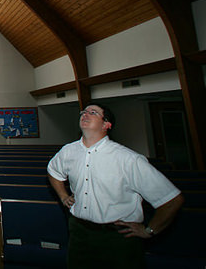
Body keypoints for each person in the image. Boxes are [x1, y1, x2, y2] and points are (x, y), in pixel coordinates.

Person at [47, 102, 184, 268]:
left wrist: (149, 230)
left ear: (106, 124)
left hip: (117, 237)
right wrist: (63, 196)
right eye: (84, 111)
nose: (85, 114)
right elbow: (53, 171)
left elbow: (172, 200)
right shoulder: (68, 151)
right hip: (79, 232)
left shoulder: (128, 159)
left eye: (93, 112)